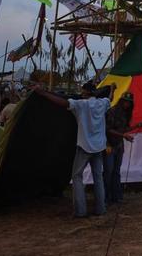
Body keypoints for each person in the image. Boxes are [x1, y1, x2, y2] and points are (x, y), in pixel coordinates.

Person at [33, 81, 115, 218]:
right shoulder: (102, 103)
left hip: (84, 146)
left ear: (86, 93)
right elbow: (111, 98)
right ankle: (101, 209)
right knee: (98, 177)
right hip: (98, 147)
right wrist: (112, 88)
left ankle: (80, 211)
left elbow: (62, 102)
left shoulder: (81, 105)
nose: (81, 93)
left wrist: (42, 93)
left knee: (77, 177)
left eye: (82, 91)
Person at [103, 92, 142, 205]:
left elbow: (124, 129)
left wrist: (137, 126)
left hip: (119, 145)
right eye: (125, 101)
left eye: (129, 102)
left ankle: (116, 197)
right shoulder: (112, 111)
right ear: (121, 101)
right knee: (108, 172)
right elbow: (107, 129)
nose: (127, 104)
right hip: (109, 145)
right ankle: (105, 198)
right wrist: (123, 136)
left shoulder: (126, 114)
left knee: (116, 172)